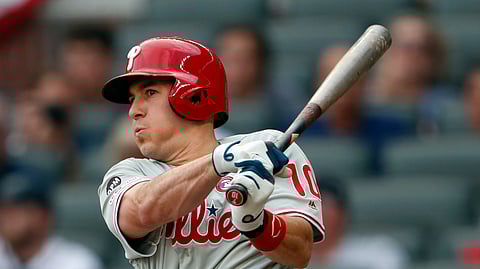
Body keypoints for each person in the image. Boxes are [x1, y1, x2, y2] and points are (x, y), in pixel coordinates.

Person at [98, 37, 324, 268]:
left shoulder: (269, 149)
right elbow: (141, 212)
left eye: (150, 93)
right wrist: (221, 161)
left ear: (194, 96)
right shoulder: (129, 172)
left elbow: (300, 252)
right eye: (132, 99)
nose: (133, 111)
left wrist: (258, 223)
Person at [0, 171, 103, 269]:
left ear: (45, 216)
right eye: (4, 208)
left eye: (18, 209)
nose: (7, 217)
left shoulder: (77, 262)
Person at [308, 177, 409, 269]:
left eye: (325, 206)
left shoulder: (379, 253)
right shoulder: (293, 259)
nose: (318, 215)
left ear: (342, 214)